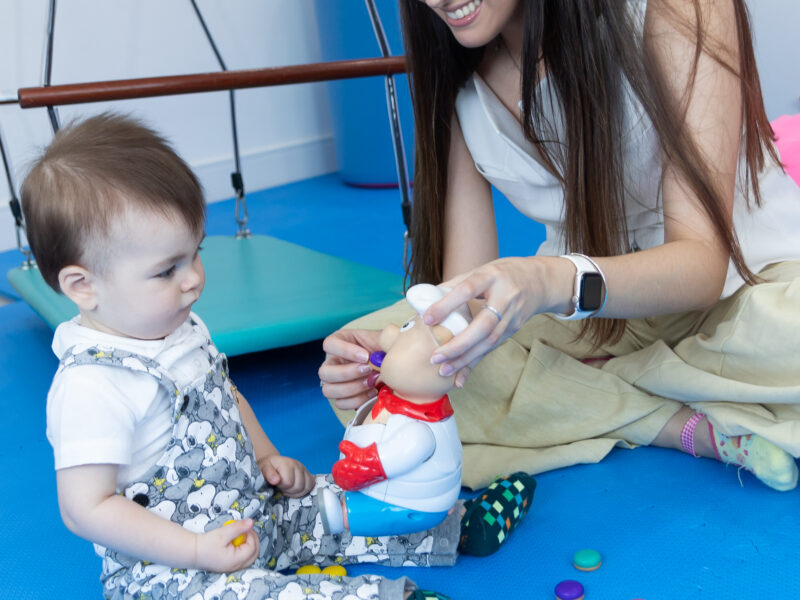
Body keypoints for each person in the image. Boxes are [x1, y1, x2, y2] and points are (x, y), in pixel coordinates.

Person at [24, 113, 533, 600]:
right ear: (82, 286)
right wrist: (196, 550)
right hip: (175, 573)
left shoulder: (178, 328)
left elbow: (227, 397)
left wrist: (267, 456)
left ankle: (452, 530)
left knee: (331, 505)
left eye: (196, 252)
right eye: (166, 270)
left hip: (252, 517)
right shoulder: (91, 385)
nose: (194, 278)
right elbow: (85, 508)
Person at [319, 0, 800, 493]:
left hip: (746, 288)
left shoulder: (680, 8)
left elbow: (701, 268)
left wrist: (550, 280)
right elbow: (463, 304)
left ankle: (598, 392)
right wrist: (385, 355)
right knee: (382, 371)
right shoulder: (457, 72)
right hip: (591, 323)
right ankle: (672, 421)